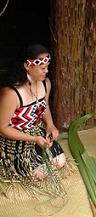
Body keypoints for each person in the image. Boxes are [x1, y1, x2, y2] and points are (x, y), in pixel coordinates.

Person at [0, 43, 66, 184]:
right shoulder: (11, 93)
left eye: (47, 67)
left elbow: (45, 105)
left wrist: (50, 125)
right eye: (42, 68)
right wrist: (34, 139)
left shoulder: (45, 83)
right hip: (13, 139)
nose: (46, 71)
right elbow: (3, 128)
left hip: (35, 132)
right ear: (28, 66)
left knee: (60, 162)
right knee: (38, 175)